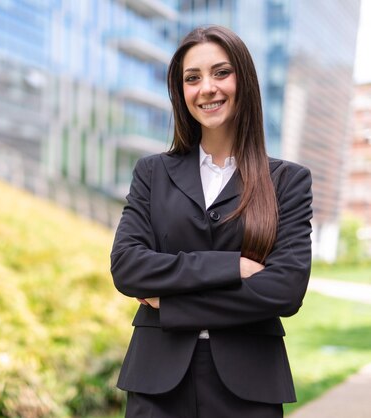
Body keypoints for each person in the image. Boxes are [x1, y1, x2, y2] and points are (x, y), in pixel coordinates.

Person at [110, 25, 313, 418]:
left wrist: (170, 306)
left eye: (221, 72)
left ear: (245, 81)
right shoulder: (152, 172)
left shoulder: (288, 182)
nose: (207, 88)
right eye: (192, 78)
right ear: (180, 92)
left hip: (249, 387)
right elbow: (128, 266)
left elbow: (285, 290)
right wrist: (231, 265)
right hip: (157, 386)